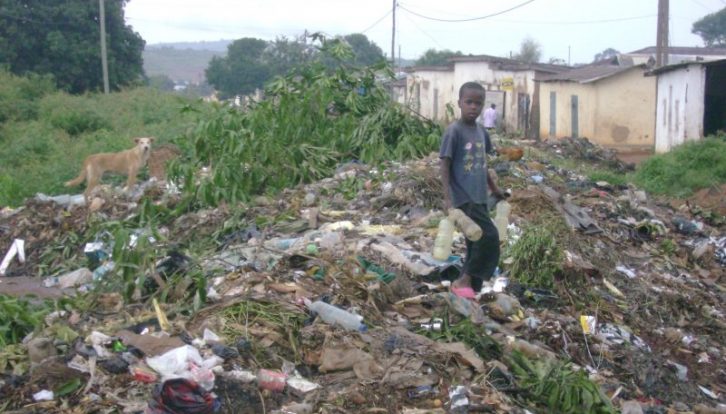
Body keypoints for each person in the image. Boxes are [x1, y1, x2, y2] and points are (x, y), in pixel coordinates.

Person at [440, 82, 505, 299]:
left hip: (480, 196)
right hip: (463, 196)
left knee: (474, 242)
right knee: (489, 238)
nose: (473, 107)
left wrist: (494, 189)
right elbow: (445, 165)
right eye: (469, 102)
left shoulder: (481, 132)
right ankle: (464, 280)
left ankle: (468, 287)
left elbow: (483, 163)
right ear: (459, 103)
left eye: (478, 103)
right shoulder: (454, 131)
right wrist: (447, 199)